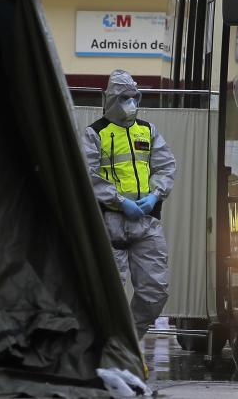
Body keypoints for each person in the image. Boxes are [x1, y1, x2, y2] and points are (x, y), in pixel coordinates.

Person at [82, 70, 177, 341]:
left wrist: (155, 195)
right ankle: (104, 346)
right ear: (111, 100)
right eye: (125, 99)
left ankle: (127, 342)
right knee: (106, 292)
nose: (131, 104)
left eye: (134, 98)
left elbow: (166, 166)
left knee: (155, 291)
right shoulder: (95, 134)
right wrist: (119, 201)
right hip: (110, 222)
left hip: (145, 222)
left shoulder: (147, 131)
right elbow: (88, 173)